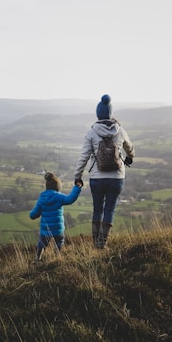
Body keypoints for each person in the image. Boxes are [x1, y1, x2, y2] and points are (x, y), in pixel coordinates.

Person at [74, 94, 135, 249]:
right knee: (109, 209)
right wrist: (130, 157)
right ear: (110, 112)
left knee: (98, 209)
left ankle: (95, 244)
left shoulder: (91, 131)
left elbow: (84, 156)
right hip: (116, 177)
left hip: (97, 178)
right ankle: (103, 243)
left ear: (98, 113)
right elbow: (129, 147)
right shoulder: (119, 129)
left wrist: (77, 176)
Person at [30, 171, 82, 263]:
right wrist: (77, 188)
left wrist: (32, 214)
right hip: (58, 228)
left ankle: (38, 258)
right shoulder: (59, 196)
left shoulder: (42, 198)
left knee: (42, 243)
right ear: (57, 187)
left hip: (46, 228)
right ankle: (57, 255)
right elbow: (70, 199)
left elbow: (34, 214)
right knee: (60, 240)